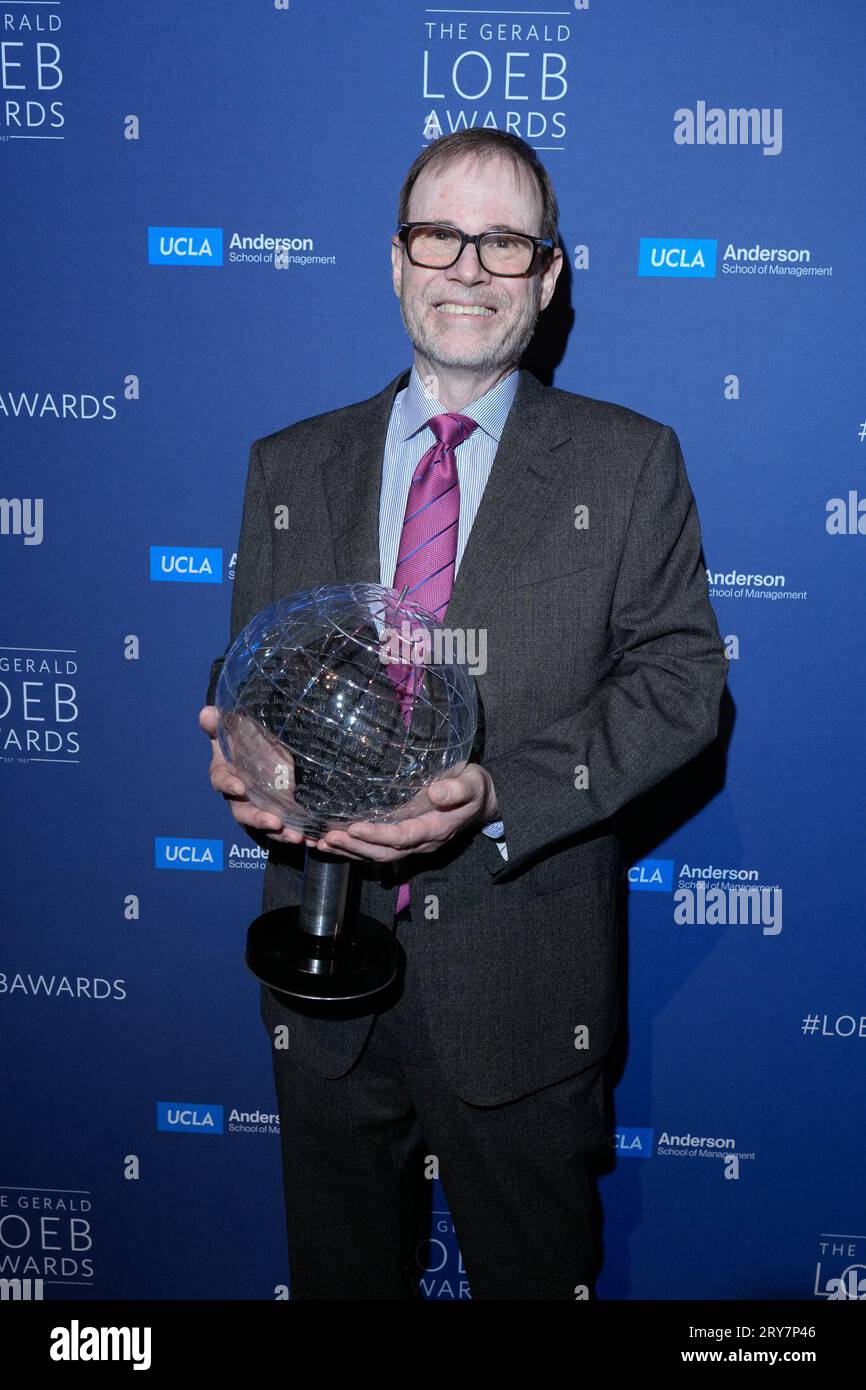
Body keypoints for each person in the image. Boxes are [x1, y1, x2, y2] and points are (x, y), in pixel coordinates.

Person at [199, 128, 729, 1300]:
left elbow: (680, 683)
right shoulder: (288, 465)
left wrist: (500, 794)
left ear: (547, 277)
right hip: (318, 979)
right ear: (395, 261)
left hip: (524, 986)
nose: (468, 269)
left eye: (504, 242)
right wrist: (246, 753)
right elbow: (251, 674)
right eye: (440, 236)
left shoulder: (626, 464)